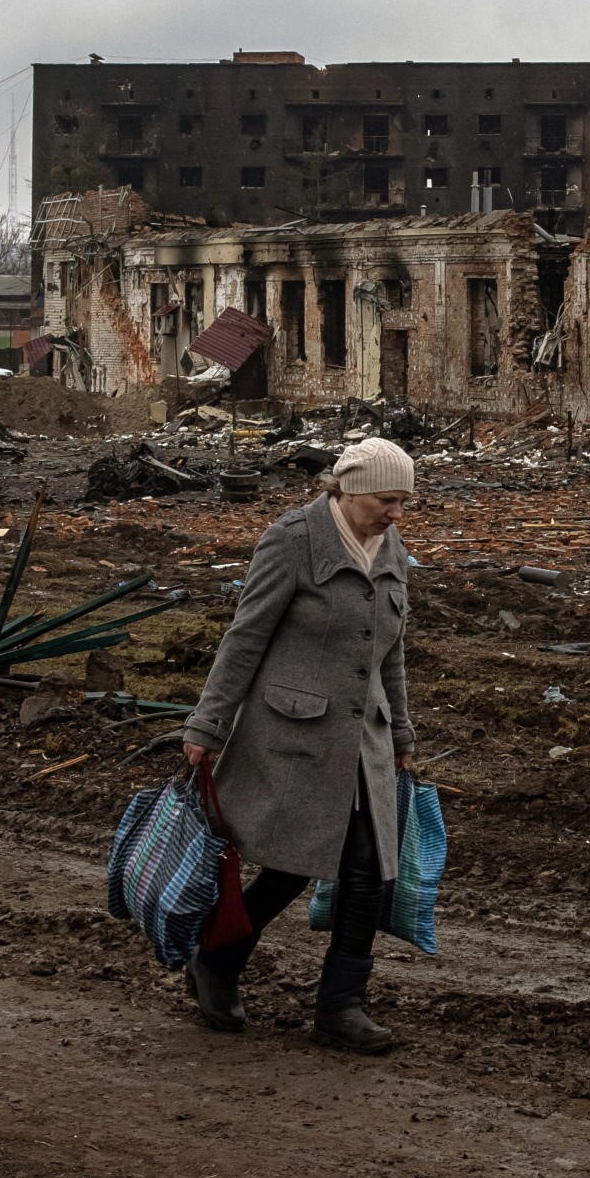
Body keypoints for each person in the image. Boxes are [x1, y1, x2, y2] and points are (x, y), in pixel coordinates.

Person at [178, 435, 418, 1053]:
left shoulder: (390, 545)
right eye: (387, 501)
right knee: (291, 864)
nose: (397, 514)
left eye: (404, 502)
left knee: (369, 870)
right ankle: (218, 958)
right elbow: (245, 637)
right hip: (293, 732)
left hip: (364, 740)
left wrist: (400, 731)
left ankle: (340, 1007)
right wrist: (207, 725)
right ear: (351, 491)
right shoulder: (293, 540)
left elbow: (389, 651)